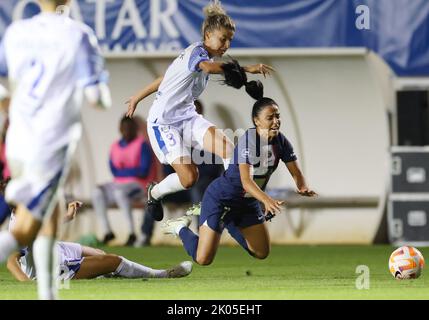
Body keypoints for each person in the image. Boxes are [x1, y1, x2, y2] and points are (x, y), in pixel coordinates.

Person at [0, 0, 111, 300]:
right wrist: (101, 86)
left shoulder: (16, 32)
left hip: (18, 140)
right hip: (50, 141)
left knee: (50, 214)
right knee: (25, 228)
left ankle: (48, 294)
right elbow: (97, 99)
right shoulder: (78, 34)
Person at [126, 0, 274, 223]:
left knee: (228, 148)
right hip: (163, 123)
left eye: (230, 40)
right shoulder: (197, 53)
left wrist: (138, 96)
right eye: (223, 38)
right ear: (207, 35)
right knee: (189, 178)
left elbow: (165, 79)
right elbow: (207, 67)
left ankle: (232, 199)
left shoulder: (203, 58)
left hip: (187, 117)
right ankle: (154, 193)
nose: (226, 44)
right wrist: (245, 69)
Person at [161, 90, 317, 266]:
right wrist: (266, 200)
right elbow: (246, 181)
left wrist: (302, 186)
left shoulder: (281, 141)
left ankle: (228, 220)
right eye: (270, 117)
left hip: (247, 202)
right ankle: (180, 228)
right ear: (256, 121)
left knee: (261, 252)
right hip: (221, 198)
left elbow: (296, 172)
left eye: (278, 116)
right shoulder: (248, 141)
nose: (276, 121)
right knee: (203, 259)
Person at [7, 202, 192, 281]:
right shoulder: (20, 227)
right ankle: (161, 275)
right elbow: (10, 260)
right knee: (112, 261)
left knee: (99, 255)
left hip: (55, 251)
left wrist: (68, 215)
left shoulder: (27, 214)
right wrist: (26, 283)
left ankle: (101, 273)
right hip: (52, 271)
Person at [92, 115, 157, 246]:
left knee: (119, 193)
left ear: (135, 129)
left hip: (138, 185)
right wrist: (132, 169)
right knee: (96, 192)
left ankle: (131, 233)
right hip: (118, 184)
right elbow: (114, 170)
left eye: (130, 128)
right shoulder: (115, 146)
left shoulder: (142, 145)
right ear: (120, 129)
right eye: (124, 128)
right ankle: (107, 232)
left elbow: (143, 172)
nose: (126, 130)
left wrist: (124, 171)